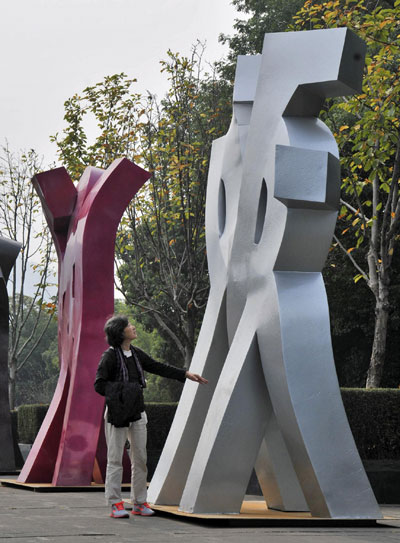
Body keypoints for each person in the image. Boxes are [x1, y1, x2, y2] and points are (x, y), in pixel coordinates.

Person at [94, 314, 208, 519]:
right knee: (115, 460)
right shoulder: (109, 357)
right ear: (120, 332)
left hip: (137, 412)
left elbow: (157, 367)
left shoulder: (136, 354)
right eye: (129, 325)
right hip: (117, 414)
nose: (133, 326)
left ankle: (139, 502)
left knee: (140, 459)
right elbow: (99, 385)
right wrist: (124, 391)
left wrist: (185, 374)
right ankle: (115, 503)